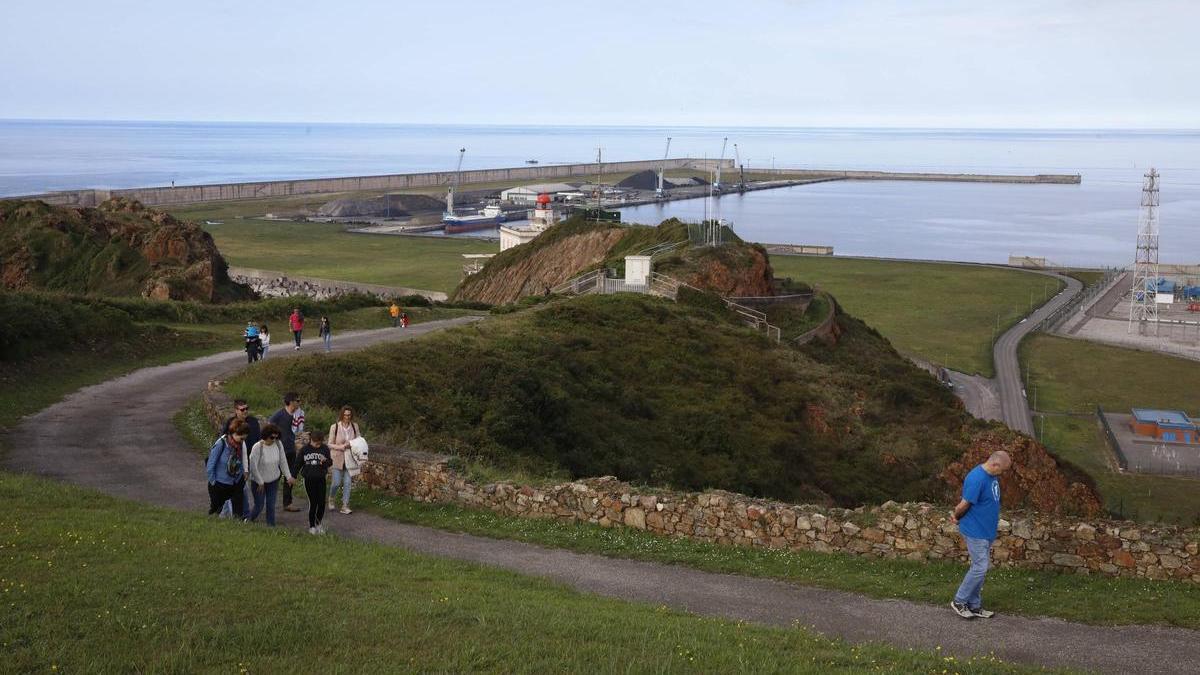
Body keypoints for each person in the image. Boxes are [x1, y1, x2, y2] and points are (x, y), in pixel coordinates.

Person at [950, 450, 1013, 620]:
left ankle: (974, 605)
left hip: (986, 531)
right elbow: (963, 505)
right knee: (980, 567)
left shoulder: (991, 476)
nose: (1003, 474)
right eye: (1003, 470)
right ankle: (959, 601)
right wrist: (956, 517)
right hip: (975, 530)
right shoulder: (976, 478)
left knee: (980, 569)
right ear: (995, 465)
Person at [246, 423, 294, 526]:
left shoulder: (278, 444)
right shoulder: (257, 447)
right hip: (259, 483)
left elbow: (283, 461)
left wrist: (288, 476)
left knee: (271, 505)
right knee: (259, 505)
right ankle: (249, 520)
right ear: (266, 435)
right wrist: (260, 481)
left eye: (276, 437)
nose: (274, 439)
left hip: (273, 480)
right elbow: (253, 467)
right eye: (272, 437)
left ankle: (271, 527)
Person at [206, 421, 249, 518]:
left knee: (238, 511)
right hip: (220, 484)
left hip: (236, 482)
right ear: (233, 433)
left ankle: (238, 524)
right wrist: (213, 482)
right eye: (241, 438)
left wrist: (241, 477)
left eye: (244, 438)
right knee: (215, 509)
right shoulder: (221, 444)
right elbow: (211, 464)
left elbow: (240, 460)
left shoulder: (240, 445)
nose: (242, 441)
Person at [268, 392, 303, 512]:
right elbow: (269, 425)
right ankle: (270, 502)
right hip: (278, 450)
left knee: (291, 476)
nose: (300, 403)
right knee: (275, 476)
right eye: (298, 401)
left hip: (291, 449)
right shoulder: (280, 414)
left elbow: (299, 429)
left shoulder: (297, 415)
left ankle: (287, 503)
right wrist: (274, 439)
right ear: (291, 401)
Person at [327, 405, 360, 515]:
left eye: (349, 415)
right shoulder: (334, 427)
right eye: (345, 415)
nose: (347, 417)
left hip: (350, 459)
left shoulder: (355, 426)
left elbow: (359, 441)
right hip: (337, 458)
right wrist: (340, 447)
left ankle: (345, 505)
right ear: (342, 415)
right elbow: (330, 444)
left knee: (347, 483)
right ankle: (331, 498)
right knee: (336, 482)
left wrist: (351, 444)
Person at [299, 430, 333, 534]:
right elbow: (298, 463)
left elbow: (330, 463)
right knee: (313, 503)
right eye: (316, 443)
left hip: (321, 479)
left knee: (322, 503)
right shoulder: (305, 450)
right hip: (309, 479)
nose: (318, 446)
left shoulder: (325, 448)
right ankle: (312, 526)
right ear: (311, 441)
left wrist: (324, 461)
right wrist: (292, 476)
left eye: (320, 443)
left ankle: (319, 524)